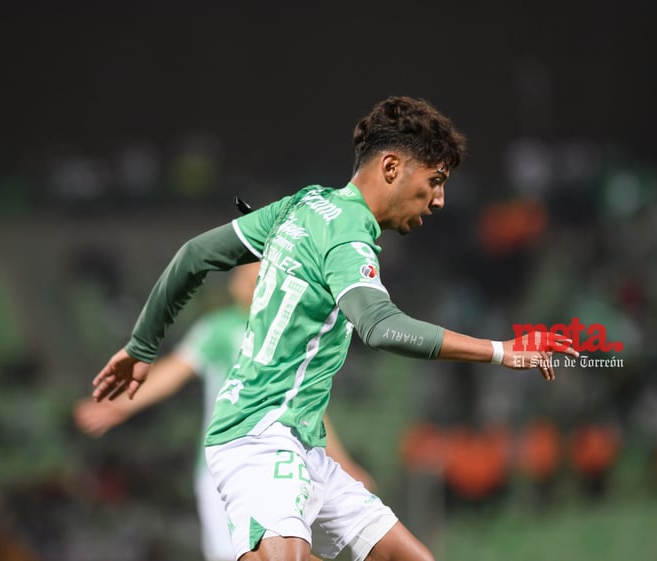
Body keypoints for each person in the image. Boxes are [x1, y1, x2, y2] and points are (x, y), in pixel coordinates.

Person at [90, 96, 580, 561]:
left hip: (305, 449)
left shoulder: (302, 207)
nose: (439, 200)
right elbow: (382, 327)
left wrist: (141, 347)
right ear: (392, 168)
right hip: (259, 438)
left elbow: (194, 255)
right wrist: (501, 351)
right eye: (435, 180)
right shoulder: (347, 237)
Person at [75, 262, 373, 561]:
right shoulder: (220, 328)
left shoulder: (292, 338)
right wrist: (121, 405)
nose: (244, 280)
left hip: (278, 465)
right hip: (224, 468)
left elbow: (309, 409)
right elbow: (174, 372)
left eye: (255, 275)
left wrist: (343, 463)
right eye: (241, 274)